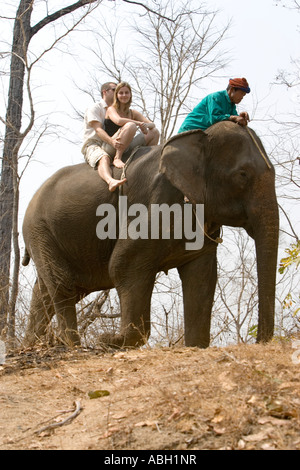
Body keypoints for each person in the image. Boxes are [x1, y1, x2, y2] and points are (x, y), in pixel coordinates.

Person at [82, 81, 129, 192]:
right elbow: (98, 130)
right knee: (104, 158)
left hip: (109, 144)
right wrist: (112, 142)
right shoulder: (95, 108)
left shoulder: (117, 110)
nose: (118, 92)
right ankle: (110, 181)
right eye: (114, 89)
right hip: (94, 144)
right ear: (104, 92)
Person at [103, 81, 159, 169]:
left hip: (127, 145)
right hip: (112, 145)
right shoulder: (111, 109)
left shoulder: (133, 113)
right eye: (121, 93)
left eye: (126, 92)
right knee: (131, 125)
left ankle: (149, 159)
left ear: (130, 95)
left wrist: (145, 126)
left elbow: (152, 124)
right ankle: (117, 158)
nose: (124, 95)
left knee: (154, 132)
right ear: (116, 95)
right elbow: (119, 121)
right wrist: (139, 124)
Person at [178, 77, 251, 133]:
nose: (242, 97)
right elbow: (214, 118)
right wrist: (233, 117)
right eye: (241, 94)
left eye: (244, 95)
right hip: (191, 128)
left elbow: (234, 120)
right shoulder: (215, 97)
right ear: (232, 90)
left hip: (206, 132)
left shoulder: (231, 105)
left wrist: (241, 118)